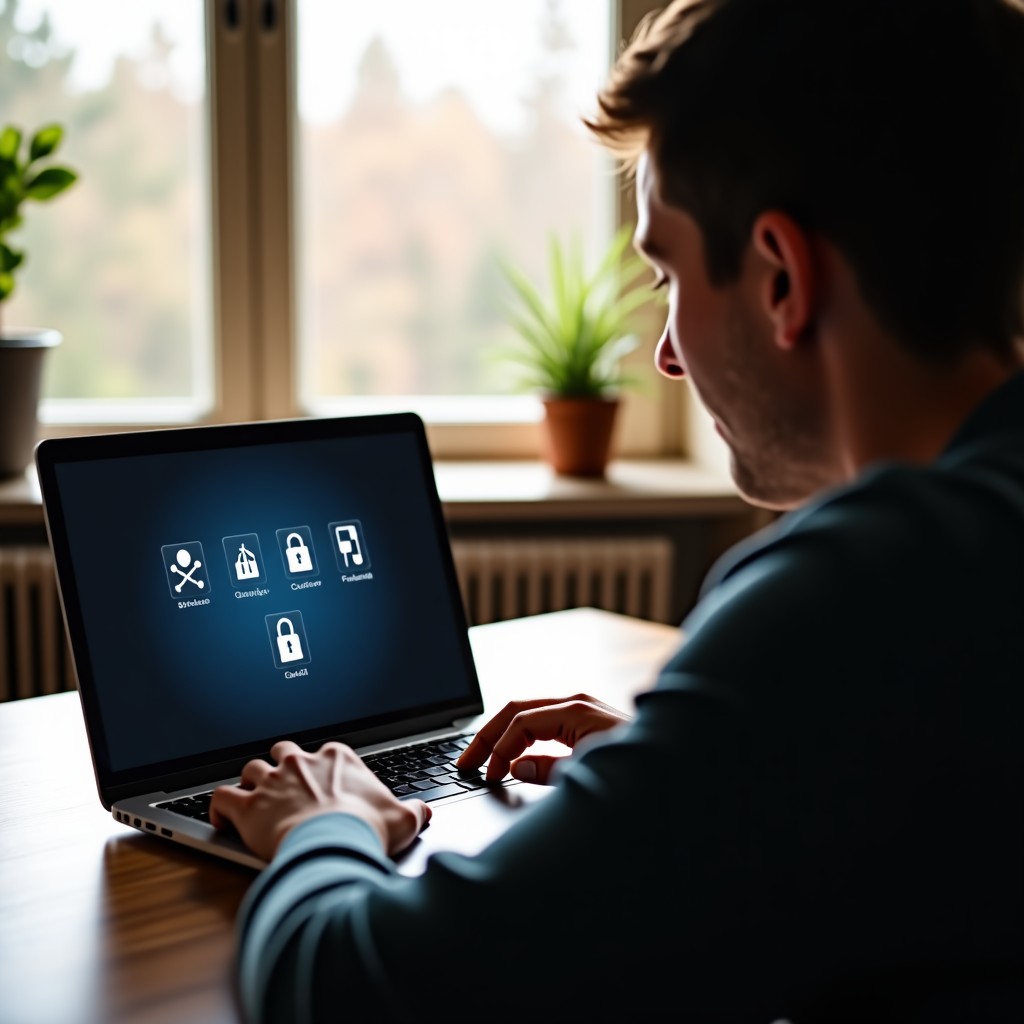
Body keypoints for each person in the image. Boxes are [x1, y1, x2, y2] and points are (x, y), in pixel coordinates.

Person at [211, 0, 1024, 1020]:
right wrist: (688, 774)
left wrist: (320, 825)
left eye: (667, 272)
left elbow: (345, 993)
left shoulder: (857, 599)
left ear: (781, 278)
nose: (666, 354)